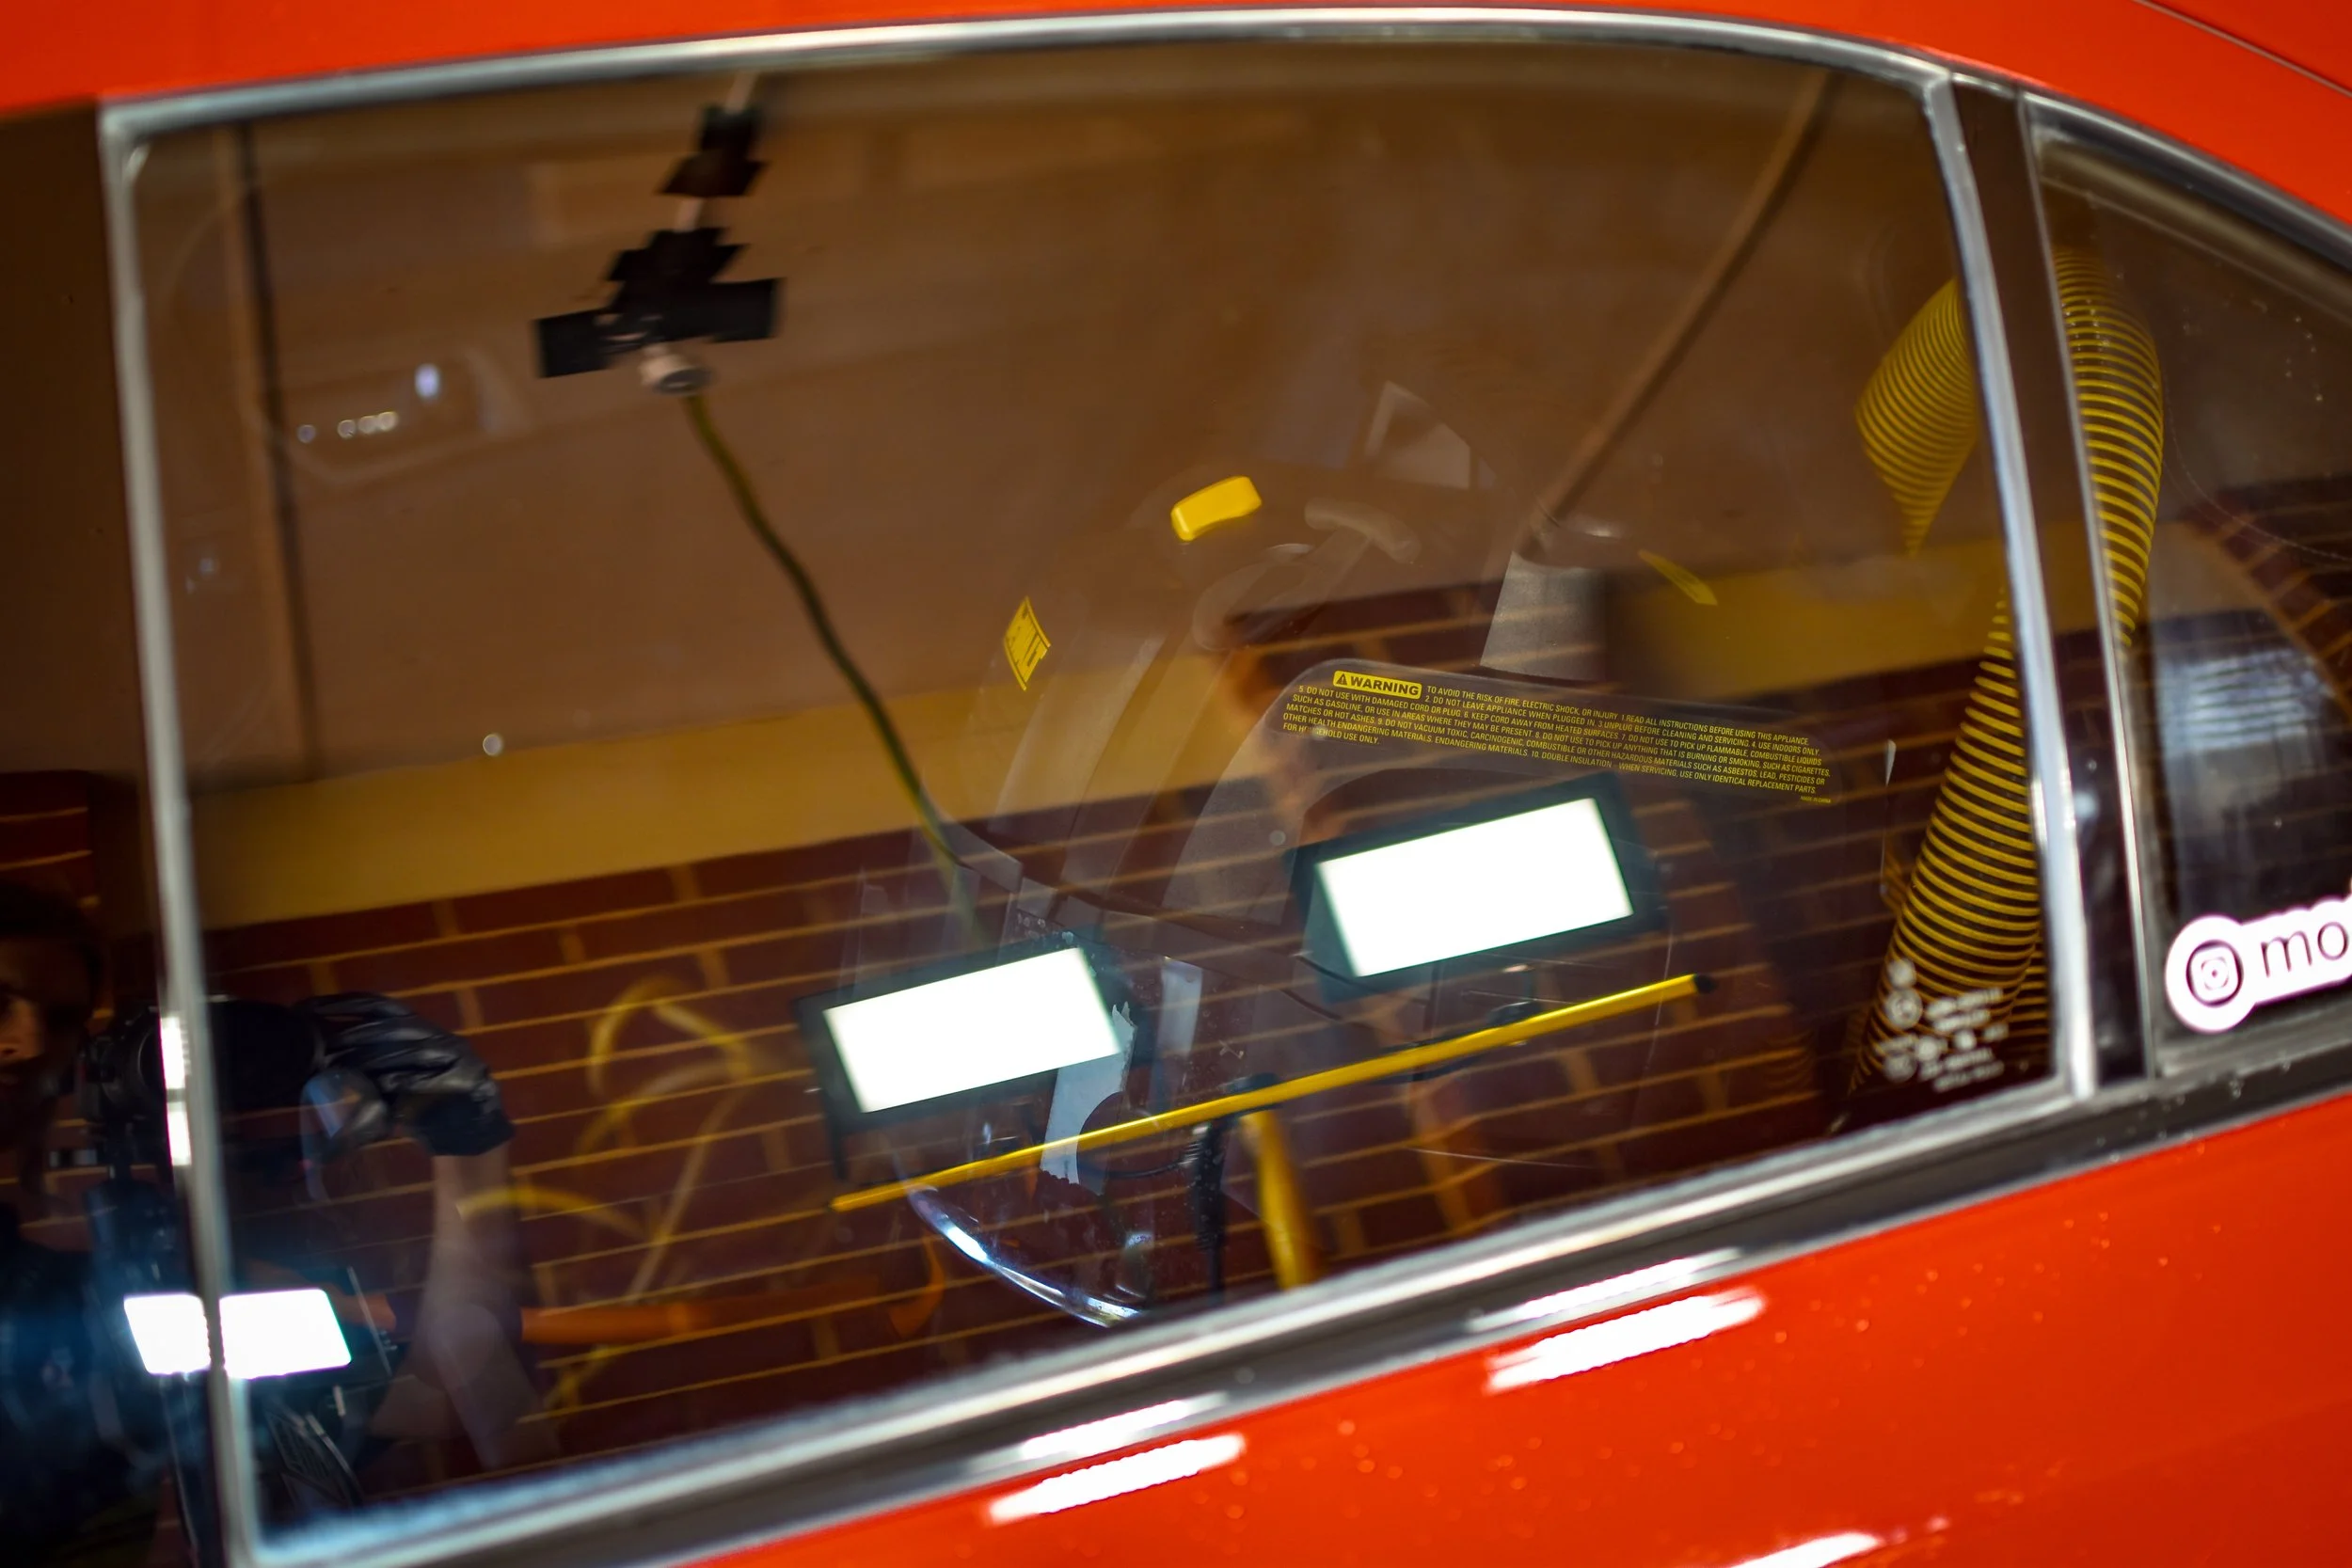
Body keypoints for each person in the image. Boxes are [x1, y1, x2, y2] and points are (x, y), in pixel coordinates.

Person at [0, 880, 549, 1562]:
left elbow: (441, 1399)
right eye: (2, 1002)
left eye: (59, 1019)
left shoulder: (115, 1285)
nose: (26, 1040)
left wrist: (467, 1139)